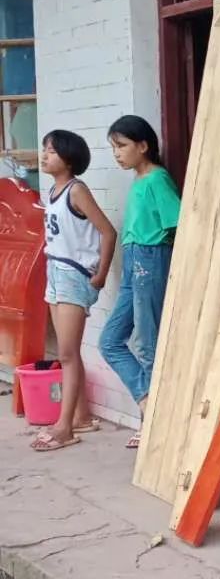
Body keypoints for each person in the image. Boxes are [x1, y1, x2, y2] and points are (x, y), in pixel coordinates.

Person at [99, 116, 180, 449]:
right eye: (113, 147)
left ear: (143, 145)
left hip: (150, 258)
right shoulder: (139, 180)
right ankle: (147, 401)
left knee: (149, 344)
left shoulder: (157, 179)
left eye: (122, 146)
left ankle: (155, 423)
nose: (117, 153)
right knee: (109, 341)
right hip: (133, 262)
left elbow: (179, 222)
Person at [34, 129, 116, 452]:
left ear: (68, 159)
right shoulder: (53, 190)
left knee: (66, 354)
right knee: (68, 352)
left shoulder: (76, 191)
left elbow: (107, 231)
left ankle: (64, 427)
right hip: (55, 271)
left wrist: (101, 274)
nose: (44, 155)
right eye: (45, 149)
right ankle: (80, 416)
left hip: (73, 274)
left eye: (51, 151)